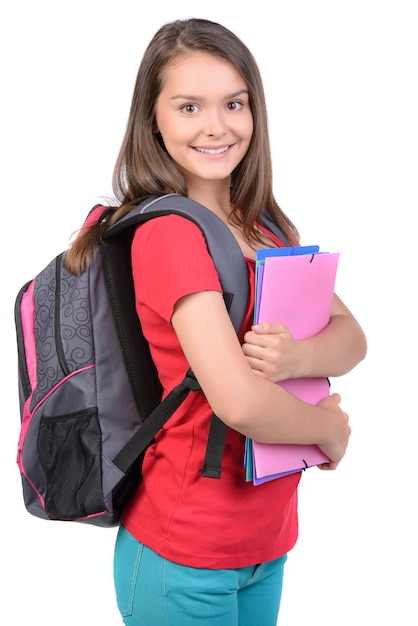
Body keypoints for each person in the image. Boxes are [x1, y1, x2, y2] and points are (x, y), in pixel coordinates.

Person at [65, 17, 367, 626]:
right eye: (189, 106)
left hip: (266, 542)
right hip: (185, 551)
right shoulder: (170, 237)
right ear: (153, 119)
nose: (216, 126)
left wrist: (298, 358)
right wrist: (327, 432)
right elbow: (239, 402)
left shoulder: (264, 226)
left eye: (234, 103)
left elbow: (353, 338)